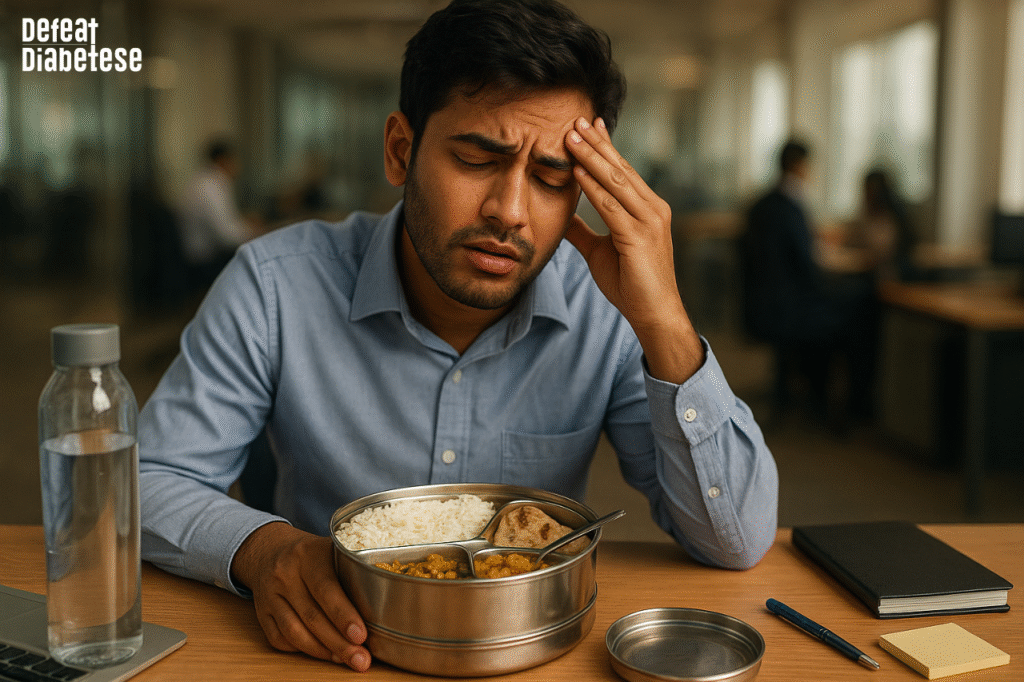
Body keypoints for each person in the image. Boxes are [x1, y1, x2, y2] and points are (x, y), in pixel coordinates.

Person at [139, 0, 779, 673]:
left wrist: (665, 323)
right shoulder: (274, 283)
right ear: (400, 150)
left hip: (533, 653)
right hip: (328, 654)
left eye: (552, 178)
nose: (509, 211)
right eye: (477, 159)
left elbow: (734, 541)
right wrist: (262, 548)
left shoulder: (607, 309)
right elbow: (152, 477)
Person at [740, 140, 876, 421]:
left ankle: (810, 390)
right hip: (789, 307)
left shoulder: (760, 205)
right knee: (860, 308)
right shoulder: (791, 205)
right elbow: (808, 265)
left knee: (843, 303)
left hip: (765, 304)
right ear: (801, 166)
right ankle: (849, 407)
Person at [177, 139, 259, 292]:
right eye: (235, 160)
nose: (238, 166)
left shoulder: (202, 180)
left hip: (199, 256)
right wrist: (255, 231)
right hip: (204, 261)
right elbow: (226, 236)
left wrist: (246, 225)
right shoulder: (212, 186)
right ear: (223, 160)